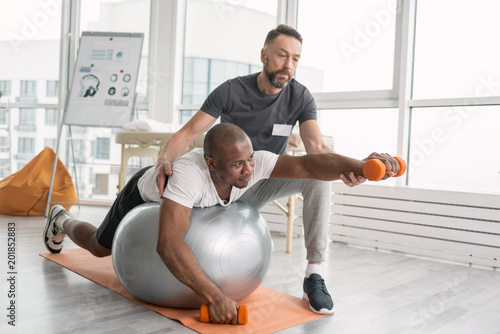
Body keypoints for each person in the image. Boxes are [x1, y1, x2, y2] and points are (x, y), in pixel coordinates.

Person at [44, 123, 400, 325]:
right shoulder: (188, 177)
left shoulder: (250, 163)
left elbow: (309, 166)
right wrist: (214, 296)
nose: (249, 170)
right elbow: (168, 244)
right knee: (99, 250)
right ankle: (62, 218)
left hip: (198, 201)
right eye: (237, 165)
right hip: (144, 196)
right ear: (211, 163)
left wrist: (363, 166)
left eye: (249, 161)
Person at [154, 24, 367, 315]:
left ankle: (314, 274)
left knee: (317, 178)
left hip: (264, 178)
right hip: (225, 182)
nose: (288, 65)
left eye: (295, 59)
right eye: (281, 55)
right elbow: (190, 132)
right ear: (264, 55)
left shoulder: (300, 97)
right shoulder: (231, 90)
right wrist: (163, 160)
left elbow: (316, 149)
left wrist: (352, 168)